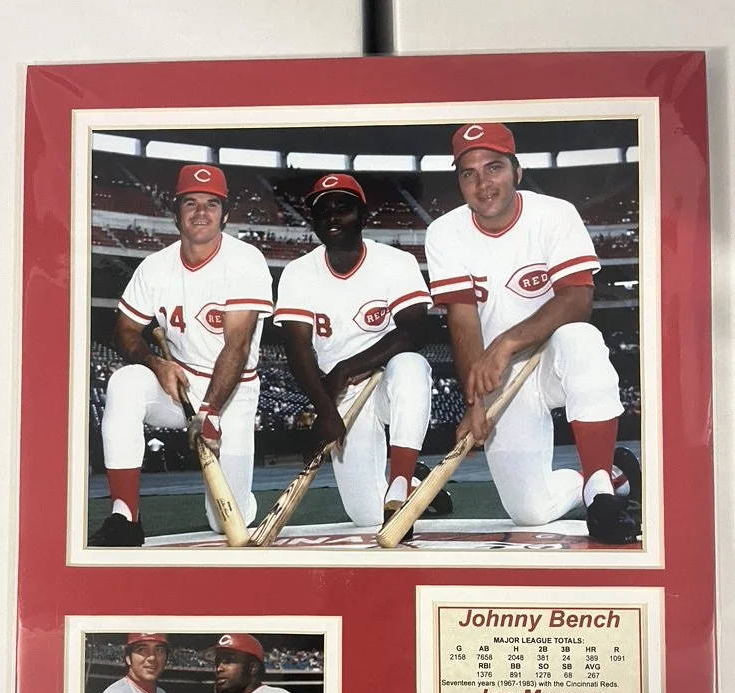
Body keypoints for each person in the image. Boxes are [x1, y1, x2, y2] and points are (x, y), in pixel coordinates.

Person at [425, 123, 641, 544]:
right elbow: (463, 322)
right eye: (469, 173)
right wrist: (474, 403)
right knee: (529, 510)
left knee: (581, 339)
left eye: (494, 167)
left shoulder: (555, 214)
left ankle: (600, 490)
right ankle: (616, 475)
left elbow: (578, 299)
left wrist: (506, 342)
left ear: (517, 172)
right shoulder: (444, 233)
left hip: (553, 358)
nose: (483, 183)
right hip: (501, 378)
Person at [89, 164, 273, 546]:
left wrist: (210, 412)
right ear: (176, 213)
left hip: (233, 391)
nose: (201, 212)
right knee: (125, 382)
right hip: (179, 382)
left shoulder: (245, 260)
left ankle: (246, 501)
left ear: (225, 214)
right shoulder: (155, 267)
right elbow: (124, 330)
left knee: (226, 520)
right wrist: (156, 364)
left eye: (211, 203)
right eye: (190, 203)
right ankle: (125, 517)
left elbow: (237, 346)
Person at [274, 173, 436, 530]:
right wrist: (324, 409)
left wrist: (345, 370)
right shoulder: (298, 273)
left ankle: (401, 478)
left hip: (386, 378)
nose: (332, 217)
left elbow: (414, 331)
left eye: (343, 208)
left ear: (363, 215)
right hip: (341, 395)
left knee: (411, 366)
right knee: (366, 515)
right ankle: (420, 486)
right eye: (323, 211)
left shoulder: (396, 261)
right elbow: (298, 352)